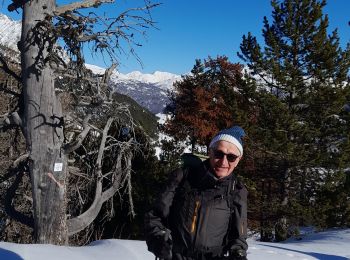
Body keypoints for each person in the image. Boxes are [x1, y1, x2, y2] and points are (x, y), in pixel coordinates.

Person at [144, 126, 248, 260]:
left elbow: (239, 237)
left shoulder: (237, 191)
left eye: (231, 157)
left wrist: (238, 254)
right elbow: (154, 215)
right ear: (210, 152)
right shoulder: (183, 177)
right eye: (218, 154)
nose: (223, 162)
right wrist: (159, 241)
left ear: (239, 160)